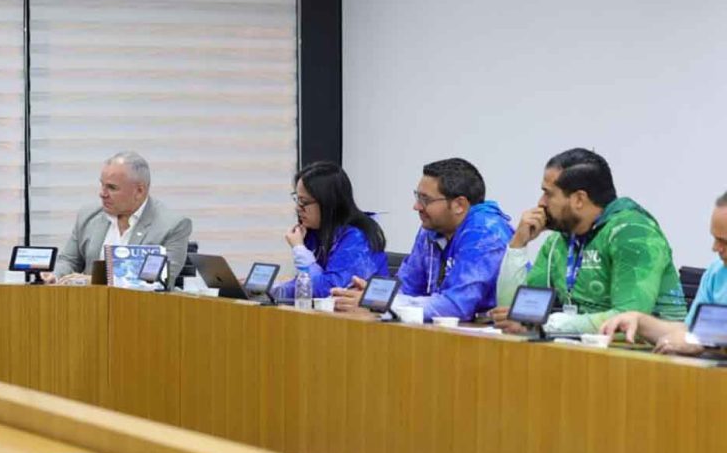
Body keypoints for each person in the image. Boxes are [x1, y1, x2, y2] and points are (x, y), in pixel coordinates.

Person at [492, 148, 686, 334]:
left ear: (578, 199)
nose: (541, 202)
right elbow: (511, 315)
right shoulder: (558, 242)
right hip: (590, 353)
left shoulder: (633, 233)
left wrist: (548, 324)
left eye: (548, 193)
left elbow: (628, 320)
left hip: (650, 356)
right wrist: (518, 245)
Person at [333, 158, 513, 321]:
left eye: (425, 199)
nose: (416, 206)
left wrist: (384, 304)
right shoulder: (431, 228)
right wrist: (374, 295)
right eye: (417, 197)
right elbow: (407, 286)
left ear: (459, 205)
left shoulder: (487, 232)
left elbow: (456, 306)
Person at [600, 192, 727, 354]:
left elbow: (699, 339)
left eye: (724, 241)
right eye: (715, 238)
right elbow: (689, 332)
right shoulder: (716, 273)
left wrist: (703, 342)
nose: (715, 248)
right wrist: (639, 321)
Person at [48, 152, 192, 283]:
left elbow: (157, 280)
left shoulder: (173, 225)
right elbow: (69, 261)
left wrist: (95, 281)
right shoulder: (88, 215)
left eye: (112, 188)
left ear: (139, 191)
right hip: (91, 306)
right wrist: (56, 276)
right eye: (102, 185)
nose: (102, 193)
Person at [271, 161, 388, 301]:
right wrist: (270, 290)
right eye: (297, 199)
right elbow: (301, 284)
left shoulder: (358, 238)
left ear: (327, 202)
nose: (297, 208)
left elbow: (327, 290)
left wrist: (299, 250)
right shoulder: (316, 232)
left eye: (304, 202)